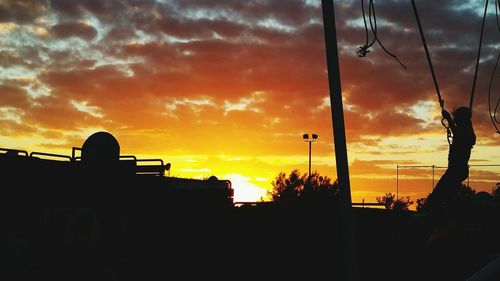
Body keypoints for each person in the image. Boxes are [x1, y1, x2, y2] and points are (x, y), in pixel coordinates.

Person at [426, 106, 476, 242]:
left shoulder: (465, 133)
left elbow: (458, 133)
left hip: (455, 171)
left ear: (461, 120)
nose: (455, 120)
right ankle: (450, 225)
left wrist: (448, 118)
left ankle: (443, 227)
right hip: (458, 171)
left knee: (436, 198)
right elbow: (458, 132)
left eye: (456, 118)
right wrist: (449, 118)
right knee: (448, 199)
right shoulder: (467, 132)